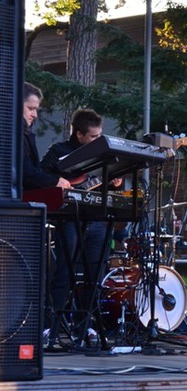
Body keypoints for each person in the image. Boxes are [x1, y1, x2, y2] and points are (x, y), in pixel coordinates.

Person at [42, 109, 122, 346]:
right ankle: (49, 326)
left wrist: (115, 182)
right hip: (68, 218)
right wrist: (61, 182)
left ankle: (85, 327)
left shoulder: (103, 157)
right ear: (79, 135)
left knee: (95, 274)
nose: (99, 140)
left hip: (96, 219)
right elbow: (41, 176)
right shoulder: (58, 151)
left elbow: (106, 185)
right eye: (94, 137)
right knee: (64, 272)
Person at [21, 82, 71, 191]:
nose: (35, 115)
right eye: (30, 108)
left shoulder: (26, 134)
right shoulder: (12, 135)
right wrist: (55, 181)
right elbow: (24, 172)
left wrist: (56, 180)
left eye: (36, 109)